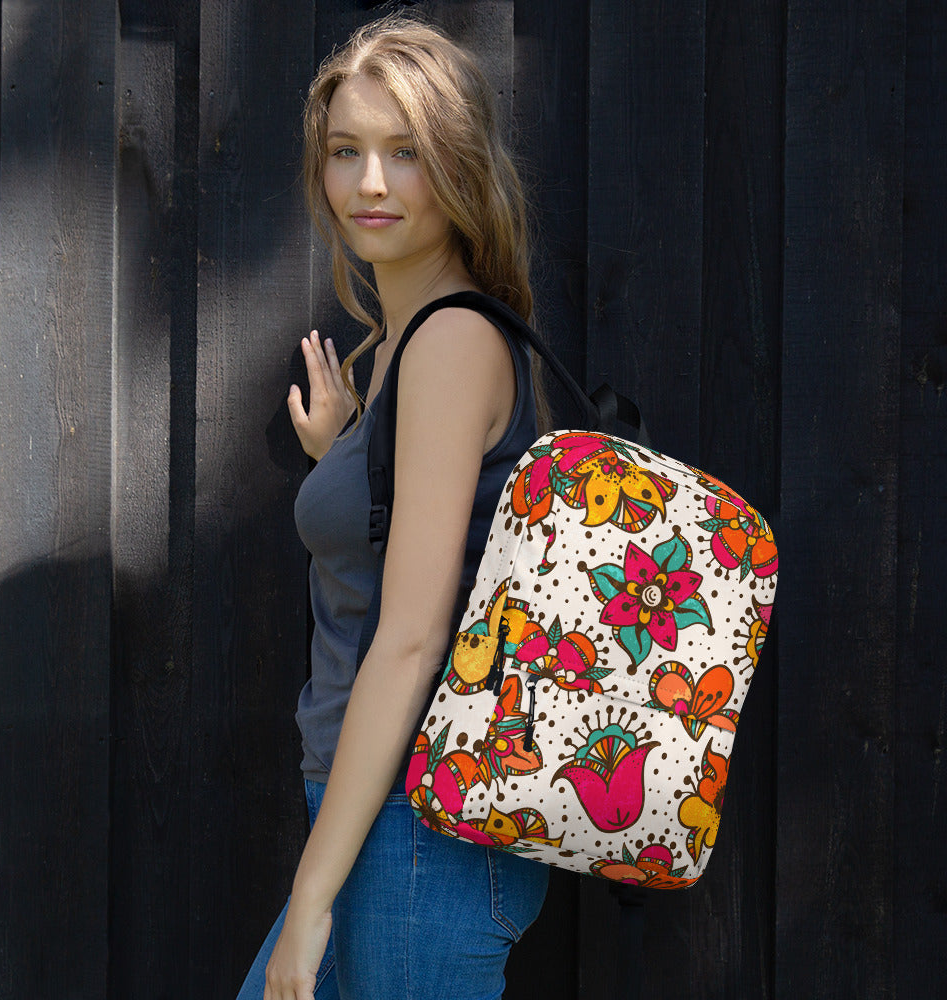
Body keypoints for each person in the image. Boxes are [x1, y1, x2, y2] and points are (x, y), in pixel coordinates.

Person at [236, 15, 550, 1000]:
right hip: (385, 822)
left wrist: (313, 896)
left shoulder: (450, 343)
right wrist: (346, 460)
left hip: (417, 834)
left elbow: (412, 639)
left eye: (404, 153)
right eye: (345, 152)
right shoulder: (409, 344)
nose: (369, 183)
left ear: (455, 166)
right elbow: (424, 556)